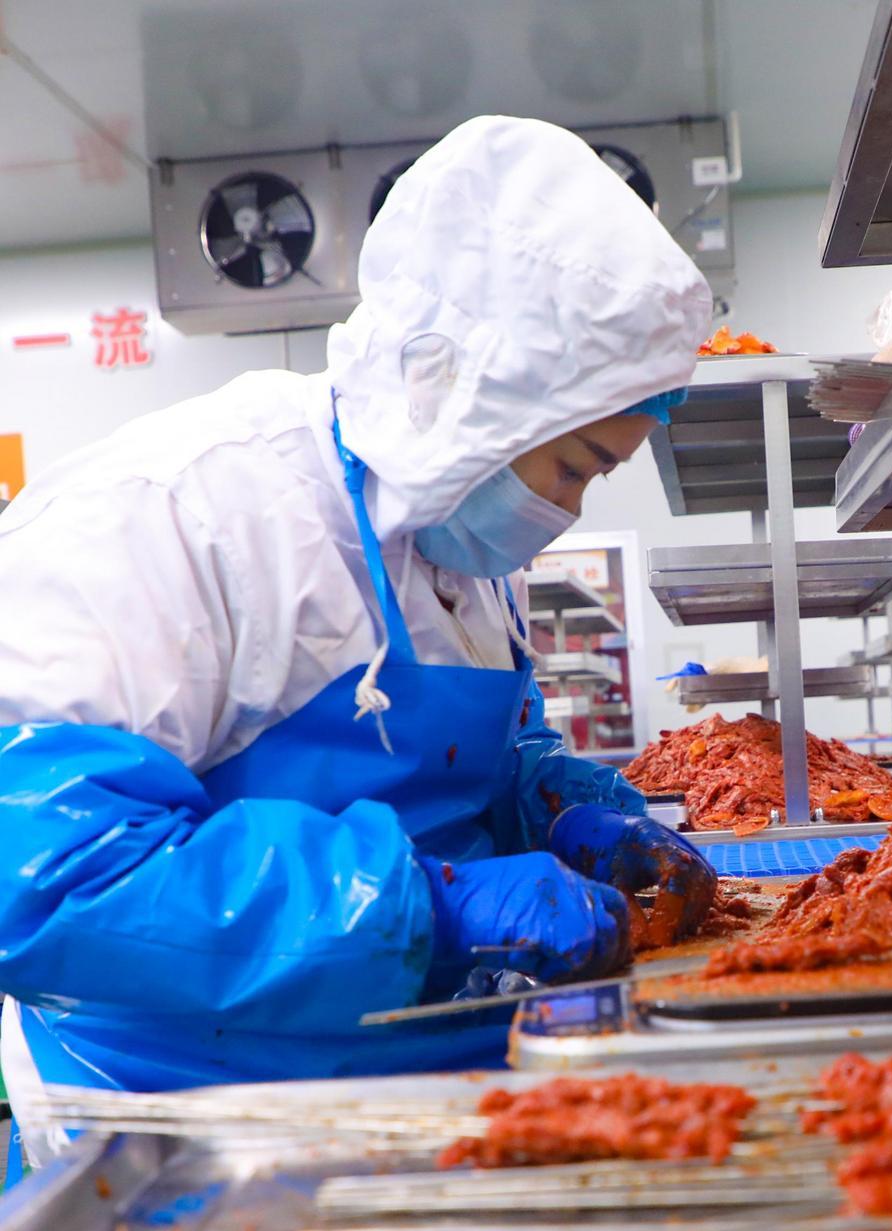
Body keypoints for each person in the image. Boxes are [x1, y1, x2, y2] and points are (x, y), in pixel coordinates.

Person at [0, 115, 716, 1162]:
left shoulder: (455, 535)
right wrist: (435, 906)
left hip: (437, 1084)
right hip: (185, 1124)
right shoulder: (183, 516)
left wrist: (551, 809)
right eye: (572, 468)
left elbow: (466, 764)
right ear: (471, 402)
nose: (564, 513)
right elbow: (48, 872)